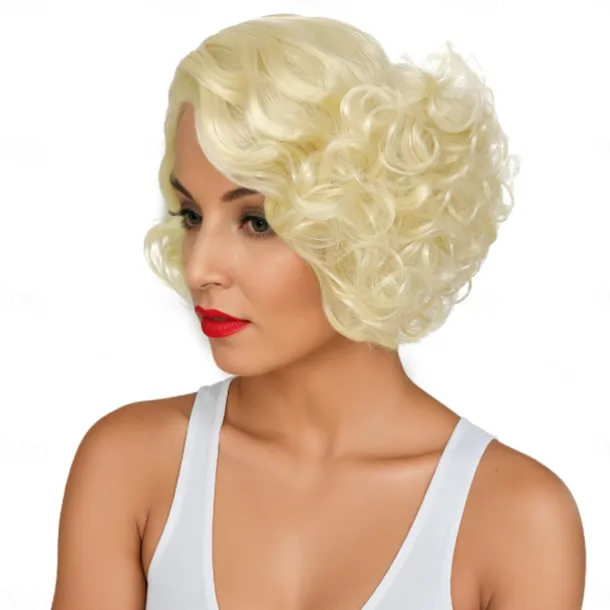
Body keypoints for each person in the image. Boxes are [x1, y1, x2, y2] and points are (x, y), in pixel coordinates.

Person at [51, 14, 586, 610]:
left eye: (258, 222)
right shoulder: (132, 466)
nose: (199, 266)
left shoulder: (515, 519)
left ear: (372, 226)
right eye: (192, 215)